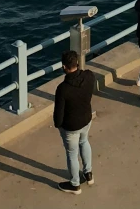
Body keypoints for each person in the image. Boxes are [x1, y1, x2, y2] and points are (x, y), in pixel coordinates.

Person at [54, 50, 96, 195]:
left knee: (72, 154)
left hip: (70, 126)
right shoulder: (89, 76)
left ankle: (75, 184)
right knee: (84, 142)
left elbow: (58, 115)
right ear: (77, 63)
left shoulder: (63, 89)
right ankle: (88, 173)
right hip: (86, 119)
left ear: (64, 67)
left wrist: (58, 125)